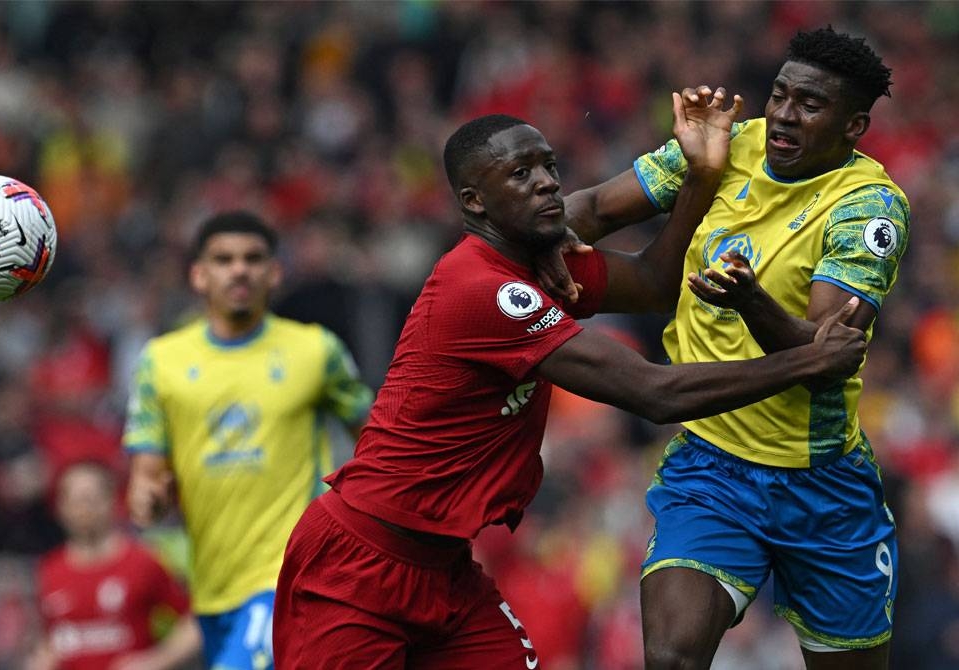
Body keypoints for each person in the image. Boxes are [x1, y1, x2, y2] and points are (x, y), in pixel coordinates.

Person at [271, 85, 868, 667]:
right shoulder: (484, 289)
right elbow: (650, 392)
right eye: (520, 174)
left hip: (443, 568)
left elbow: (655, 284)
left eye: (549, 166)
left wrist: (703, 179)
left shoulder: (534, 263)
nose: (547, 182)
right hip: (359, 566)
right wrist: (807, 360)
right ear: (476, 203)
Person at [548, 26, 908, 670]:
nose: (784, 116)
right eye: (779, 95)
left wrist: (750, 300)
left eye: (810, 105)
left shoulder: (867, 206)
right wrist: (513, 240)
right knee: (672, 657)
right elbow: (597, 207)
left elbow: (821, 356)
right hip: (712, 469)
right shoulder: (725, 148)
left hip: (821, 484)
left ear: (854, 126)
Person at [122, 212, 374, 670]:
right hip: (213, 589)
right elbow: (145, 479)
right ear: (199, 275)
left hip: (294, 575)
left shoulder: (315, 351)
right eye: (224, 259)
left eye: (253, 258)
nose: (239, 269)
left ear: (274, 272)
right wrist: (149, 498)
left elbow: (376, 440)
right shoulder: (161, 362)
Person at [29, 460, 201, 670]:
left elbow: (195, 621)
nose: (82, 510)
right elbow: (51, 640)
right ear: (61, 508)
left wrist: (156, 661)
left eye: (89, 499)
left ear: (111, 501)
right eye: (74, 501)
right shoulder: (50, 570)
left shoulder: (141, 561)